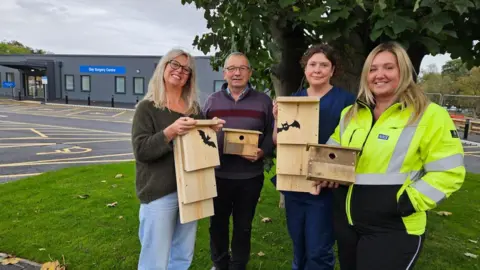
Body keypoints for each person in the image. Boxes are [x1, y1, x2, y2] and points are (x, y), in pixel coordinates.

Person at [311, 41, 466, 270]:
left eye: (388, 68)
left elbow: (448, 172)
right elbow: (331, 155)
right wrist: (324, 173)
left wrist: (405, 202)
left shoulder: (430, 115)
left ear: (403, 71)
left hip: (393, 229)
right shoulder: (351, 114)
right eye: (373, 69)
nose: (379, 75)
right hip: (348, 225)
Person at [131, 48, 225, 270]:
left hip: (191, 190)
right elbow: (142, 150)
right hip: (159, 193)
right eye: (175, 64)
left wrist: (211, 129)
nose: (180, 71)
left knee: (182, 256)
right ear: (164, 67)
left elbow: (200, 145)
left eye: (186, 69)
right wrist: (170, 131)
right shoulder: (148, 107)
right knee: (154, 258)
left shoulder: (193, 110)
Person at [270, 44, 356, 270]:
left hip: (326, 187)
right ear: (305, 68)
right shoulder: (293, 100)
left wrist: (332, 174)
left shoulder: (346, 102)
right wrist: (278, 118)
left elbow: (351, 144)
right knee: (299, 247)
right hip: (295, 183)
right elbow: (278, 140)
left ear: (333, 70)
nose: (317, 69)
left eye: (324, 65)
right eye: (313, 64)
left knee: (319, 250)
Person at [202, 52, 274, 270]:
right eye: (232, 68)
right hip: (218, 175)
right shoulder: (212, 101)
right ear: (224, 73)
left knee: (243, 226)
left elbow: (273, 133)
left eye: (242, 68)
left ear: (250, 72)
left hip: (249, 177)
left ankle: (238, 265)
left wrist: (263, 152)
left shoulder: (263, 101)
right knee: (217, 225)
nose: (237, 73)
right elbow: (201, 134)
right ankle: (219, 263)